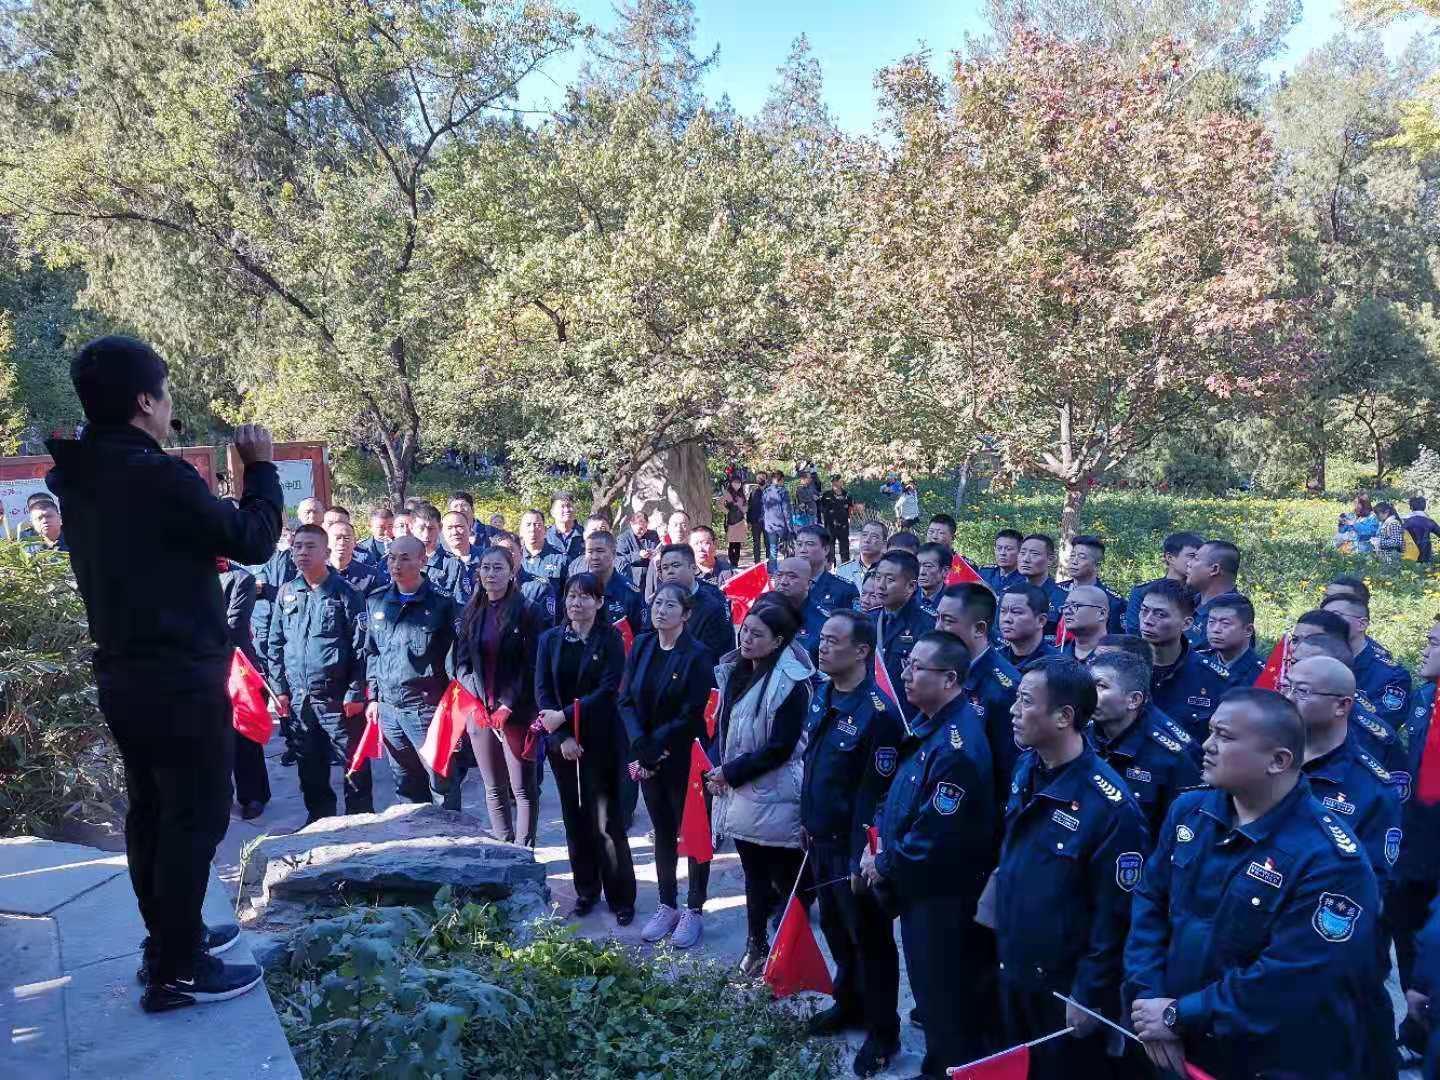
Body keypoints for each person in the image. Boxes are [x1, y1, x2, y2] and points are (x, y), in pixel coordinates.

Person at [46, 335, 282, 1011]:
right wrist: (259, 470)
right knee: (195, 816)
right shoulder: (156, 477)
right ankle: (178, 969)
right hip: (178, 677)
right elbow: (252, 540)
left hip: (125, 674)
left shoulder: (81, 474)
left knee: (152, 812)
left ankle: (169, 941)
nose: (171, 402)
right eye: (167, 391)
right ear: (145, 401)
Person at [1124, 689, 1380, 1080]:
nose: (1207, 745)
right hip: (1170, 1040)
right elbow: (1149, 904)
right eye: (1211, 731)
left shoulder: (1330, 860)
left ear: (1278, 761)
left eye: (1225, 736)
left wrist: (1178, 1015)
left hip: (1263, 1059)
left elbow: (1293, 978)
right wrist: (1150, 999)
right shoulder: (1190, 812)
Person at [997, 657, 1150, 1080]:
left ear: (1064, 716)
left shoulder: (1111, 808)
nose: (1013, 710)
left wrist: (1088, 994)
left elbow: (1115, 916)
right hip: (1016, 962)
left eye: (1026, 701)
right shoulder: (1029, 766)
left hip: (1064, 986)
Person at [860, 631, 996, 1076]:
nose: (906, 674)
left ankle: (948, 1069)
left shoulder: (957, 746)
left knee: (943, 997)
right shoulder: (930, 725)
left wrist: (883, 863)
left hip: (942, 896)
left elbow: (935, 834)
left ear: (950, 678)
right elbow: (902, 798)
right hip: (919, 886)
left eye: (918, 667)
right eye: (907, 664)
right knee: (931, 992)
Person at [1285, 655, 1404, 1077]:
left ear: (1342, 705)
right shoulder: (1265, 757)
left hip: (1321, 961)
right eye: (1286, 686)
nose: (1288, 697)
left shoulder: (1371, 787)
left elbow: (1370, 891)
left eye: (1301, 691)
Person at [801, 611, 905, 1076]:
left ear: (862, 651)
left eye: (833, 641)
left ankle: (883, 1031)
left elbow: (875, 795)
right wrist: (807, 821)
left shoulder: (877, 714)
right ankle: (849, 1004)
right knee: (837, 932)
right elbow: (815, 768)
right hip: (820, 840)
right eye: (821, 638)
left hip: (853, 851)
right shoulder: (823, 693)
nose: (822, 647)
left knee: (871, 941)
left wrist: (861, 856)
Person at [709, 601, 815, 976]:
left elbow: (780, 748)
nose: (747, 639)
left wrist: (731, 772)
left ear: (778, 641)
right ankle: (756, 946)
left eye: (757, 634)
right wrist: (722, 770)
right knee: (753, 876)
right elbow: (723, 729)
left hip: (776, 793)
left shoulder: (791, 682)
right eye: (745, 630)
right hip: (741, 790)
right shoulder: (736, 670)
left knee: (787, 881)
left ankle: (791, 955)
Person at [534, 572, 635, 925]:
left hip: (601, 740)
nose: (576, 603)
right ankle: (586, 890)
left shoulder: (610, 639)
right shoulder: (549, 639)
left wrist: (563, 716)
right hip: (563, 745)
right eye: (571, 596)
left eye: (585, 596)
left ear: (599, 602)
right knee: (575, 821)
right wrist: (561, 736)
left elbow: (607, 691)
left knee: (607, 821)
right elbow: (543, 691)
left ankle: (621, 897)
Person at [622, 582, 716, 949]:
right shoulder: (643, 644)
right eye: (657, 603)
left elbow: (693, 712)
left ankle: (694, 908)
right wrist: (640, 746)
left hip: (684, 758)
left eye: (670, 605)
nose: (661, 610)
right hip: (647, 757)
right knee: (662, 830)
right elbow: (625, 700)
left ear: (686, 613)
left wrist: (655, 746)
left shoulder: (697, 654)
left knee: (693, 834)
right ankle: (667, 904)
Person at [266, 524, 371, 824]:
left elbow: (362, 648)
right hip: (300, 698)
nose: (302, 552)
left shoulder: (346, 593)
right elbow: (275, 643)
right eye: (298, 546)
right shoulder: (287, 592)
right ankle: (320, 819)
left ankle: (360, 822)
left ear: (326, 552)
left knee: (353, 763)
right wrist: (279, 689)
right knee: (309, 764)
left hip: (338, 699)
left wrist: (355, 692)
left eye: (310, 546)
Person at [452, 546, 544, 843]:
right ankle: (504, 849)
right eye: (486, 568)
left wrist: (507, 704)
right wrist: (479, 702)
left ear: (512, 572)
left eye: (498, 568)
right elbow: (460, 664)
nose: (491, 574)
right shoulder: (471, 612)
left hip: (517, 713)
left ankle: (524, 851)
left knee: (522, 788)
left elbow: (533, 665)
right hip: (480, 712)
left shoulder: (529, 611)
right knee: (493, 787)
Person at [364, 535, 458, 807]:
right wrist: (374, 697)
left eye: (405, 558)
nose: (396, 564)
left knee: (441, 784)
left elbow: (453, 661)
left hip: (426, 710)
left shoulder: (442, 604)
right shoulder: (377, 601)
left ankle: (449, 832)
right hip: (389, 709)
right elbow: (372, 652)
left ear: (422, 561)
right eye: (392, 558)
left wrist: (451, 711)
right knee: (405, 785)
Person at [1088, 651, 1201, 834]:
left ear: (1133, 700)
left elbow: (1181, 831)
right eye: (1088, 684)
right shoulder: (1078, 735)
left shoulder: (1171, 757)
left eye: (1101, 686)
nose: (1088, 693)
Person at [934, 582, 1023, 812]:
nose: (937, 628)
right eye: (937, 618)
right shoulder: (940, 669)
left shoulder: (1006, 689)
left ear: (980, 629)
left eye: (948, 621)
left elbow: (1007, 770)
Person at [1394, 620, 1440, 1054]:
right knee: (1408, 933)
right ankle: (1415, 1031)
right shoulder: (1425, 696)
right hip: (1415, 840)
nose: (1425, 650)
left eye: (1433, 643)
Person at [1140, 579, 1230, 741]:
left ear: (1186, 623)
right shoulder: (1122, 667)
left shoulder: (1212, 678)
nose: (1147, 620)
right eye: (1144, 610)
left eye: (1160, 614)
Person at [218, 558, 270, 821]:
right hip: (198, 666)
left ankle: (253, 795)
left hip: (235, 665)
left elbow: (234, 626)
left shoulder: (242, 579)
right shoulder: (184, 574)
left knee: (244, 733)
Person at [1322, 591, 1412, 726]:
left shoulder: (1392, 675)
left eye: (1335, 616)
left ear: (1362, 624)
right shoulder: (1315, 662)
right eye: (1323, 617)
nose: (1326, 623)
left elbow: (1381, 726)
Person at [652, 543, 734, 661]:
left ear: (694, 568)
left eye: (676, 565)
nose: (670, 571)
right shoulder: (657, 601)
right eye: (665, 568)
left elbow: (720, 653)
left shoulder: (713, 604)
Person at [872, 550, 935, 694]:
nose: (881, 585)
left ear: (911, 586)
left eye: (890, 580)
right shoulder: (869, 619)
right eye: (878, 577)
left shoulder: (928, 624)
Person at [1123, 531, 1202, 636]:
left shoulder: (1201, 593)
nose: (1195, 562)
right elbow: (1134, 632)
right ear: (1170, 557)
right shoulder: (1143, 592)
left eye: (1198, 558)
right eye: (1191, 556)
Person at [581, 529, 645, 635]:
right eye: (590, 552)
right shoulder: (578, 587)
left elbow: (640, 634)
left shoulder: (629, 592)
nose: (595, 557)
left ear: (614, 553)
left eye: (600, 551)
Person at [1183, 539, 1242, 647]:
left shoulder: (1233, 620)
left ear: (1214, 569)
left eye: (1196, 558)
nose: (1189, 563)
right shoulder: (1189, 601)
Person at [1199, 591, 1263, 689]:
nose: (1215, 629)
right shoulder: (1198, 662)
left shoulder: (1263, 674)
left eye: (1225, 623)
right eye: (1211, 622)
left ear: (1248, 630)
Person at [1060, 534, 1124, 633]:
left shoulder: (1112, 601)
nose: (1074, 561)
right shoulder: (1056, 591)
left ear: (1097, 565)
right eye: (1072, 555)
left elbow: (1116, 638)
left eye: (1082, 557)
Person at [793, 523, 859, 616]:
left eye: (810, 544)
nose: (802, 550)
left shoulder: (845, 590)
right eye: (799, 544)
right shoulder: (786, 585)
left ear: (826, 549)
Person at [998, 583, 1058, 668]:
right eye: (1003, 611)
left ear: (1041, 620)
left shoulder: (1057, 665)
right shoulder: (995, 661)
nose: (1007, 619)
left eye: (1016, 612)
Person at [409, 503, 461, 597]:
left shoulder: (453, 564)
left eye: (431, 528)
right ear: (411, 528)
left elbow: (460, 602)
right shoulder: (401, 561)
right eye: (421, 528)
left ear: (440, 527)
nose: (426, 535)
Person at [1017, 533, 1066, 629]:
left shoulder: (1063, 598)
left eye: (1034, 554)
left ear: (1050, 559)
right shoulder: (1008, 593)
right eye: (1022, 553)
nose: (1025, 559)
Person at [326, 518, 382, 597]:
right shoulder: (316, 572)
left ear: (355, 542)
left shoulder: (371, 576)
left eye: (347, 538)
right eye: (337, 538)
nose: (342, 543)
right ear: (327, 542)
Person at [518, 507, 568, 592]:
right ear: (521, 531)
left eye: (537, 525)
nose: (532, 529)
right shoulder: (514, 558)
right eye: (528, 525)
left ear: (545, 530)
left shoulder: (560, 559)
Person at [1058, 583, 1110, 662]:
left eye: (1075, 606)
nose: (1066, 612)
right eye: (1065, 606)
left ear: (1101, 614)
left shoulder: (1119, 657)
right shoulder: (1056, 656)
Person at [441, 509, 482, 606]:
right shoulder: (437, 560)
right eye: (449, 528)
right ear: (442, 531)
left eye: (459, 526)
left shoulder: (485, 557)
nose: (454, 532)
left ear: (470, 528)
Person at [835, 519, 889, 590]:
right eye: (864, 535)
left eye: (874, 536)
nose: (867, 540)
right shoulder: (843, 571)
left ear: (884, 544)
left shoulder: (891, 571)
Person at [616, 508, 660, 588]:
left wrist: (654, 554)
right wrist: (638, 555)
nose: (643, 531)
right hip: (633, 579)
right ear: (632, 524)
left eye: (645, 527)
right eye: (640, 528)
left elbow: (658, 549)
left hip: (652, 575)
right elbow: (620, 561)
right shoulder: (623, 539)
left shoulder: (653, 534)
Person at [818, 475, 854, 565]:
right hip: (830, 526)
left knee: (845, 548)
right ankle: (831, 567)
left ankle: (845, 567)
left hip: (843, 525)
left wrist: (849, 518)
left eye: (838, 481)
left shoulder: (847, 494)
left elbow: (850, 508)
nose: (837, 483)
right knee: (830, 548)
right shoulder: (826, 495)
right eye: (835, 481)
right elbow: (821, 509)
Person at [761, 471, 793, 566]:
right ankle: (787, 568)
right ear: (781, 479)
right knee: (787, 548)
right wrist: (790, 527)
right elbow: (786, 510)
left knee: (773, 548)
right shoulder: (783, 492)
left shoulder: (766, 491)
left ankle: (772, 569)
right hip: (781, 524)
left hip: (770, 524)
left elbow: (763, 508)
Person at [981, 528, 1025, 594]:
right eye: (999, 548)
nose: (1002, 553)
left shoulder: (1027, 579)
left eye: (1008, 549)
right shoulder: (985, 573)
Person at [545, 491, 584, 562]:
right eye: (562, 507)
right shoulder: (546, 537)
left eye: (569, 506)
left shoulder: (585, 535)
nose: (566, 510)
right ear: (552, 512)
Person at [915, 542, 951, 617]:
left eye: (928, 566)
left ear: (945, 571)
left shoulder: (953, 601)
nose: (921, 572)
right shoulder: (907, 595)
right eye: (917, 566)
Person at [721, 476, 749, 567]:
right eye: (735, 482)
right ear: (731, 483)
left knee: (738, 544)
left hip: (740, 521)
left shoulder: (742, 494)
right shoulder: (728, 494)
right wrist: (728, 512)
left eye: (738, 483)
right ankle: (732, 562)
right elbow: (719, 504)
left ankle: (735, 563)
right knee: (732, 543)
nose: (737, 484)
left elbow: (745, 507)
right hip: (731, 522)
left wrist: (743, 509)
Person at [1405, 497, 1440, 563]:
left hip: (1409, 550)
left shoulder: (1405, 520)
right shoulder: (1429, 521)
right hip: (1425, 551)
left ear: (1411, 507)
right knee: (1425, 567)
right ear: (1424, 507)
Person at [746, 479, 766, 567]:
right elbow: (749, 507)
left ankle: (770, 565)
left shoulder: (769, 491)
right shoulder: (753, 492)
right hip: (755, 521)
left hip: (767, 522)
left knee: (768, 544)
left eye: (763, 478)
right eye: (759, 478)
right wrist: (748, 521)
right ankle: (757, 564)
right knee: (756, 544)